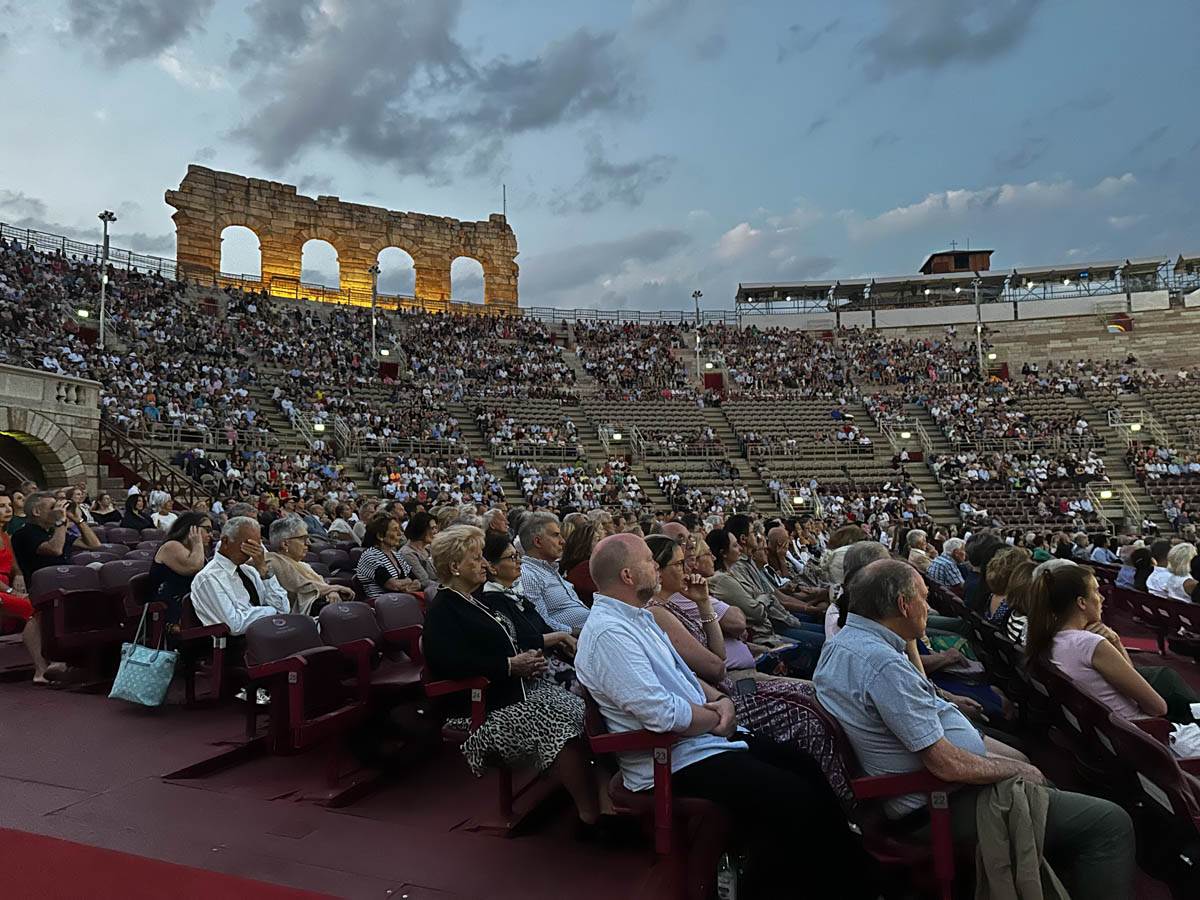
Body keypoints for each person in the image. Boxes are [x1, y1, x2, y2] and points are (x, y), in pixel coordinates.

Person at [576, 533, 882, 897]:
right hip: (671, 759)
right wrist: (717, 719)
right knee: (795, 799)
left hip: (697, 741)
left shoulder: (636, 618)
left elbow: (685, 677)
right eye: (649, 562)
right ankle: (840, 885)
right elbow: (659, 713)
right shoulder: (610, 633)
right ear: (628, 576)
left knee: (804, 764)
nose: (656, 568)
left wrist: (720, 701)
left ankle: (853, 876)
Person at [815, 559, 1135, 900]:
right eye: (923, 597)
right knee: (1110, 823)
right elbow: (946, 765)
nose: (928, 605)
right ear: (903, 605)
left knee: (1050, 793)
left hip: (933, 793)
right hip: (936, 804)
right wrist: (1016, 769)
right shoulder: (882, 664)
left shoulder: (845, 644)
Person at [422, 525, 601, 832]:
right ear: (454, 567)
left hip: (512, 693)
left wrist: (521, 661)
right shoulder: (443, 609)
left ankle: (602, 803)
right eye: (476, 558)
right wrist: (508, 665)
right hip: (481, 710)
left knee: (583, 711)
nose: (484, 565)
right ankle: (589, 817)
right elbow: (449, 662)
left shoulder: (472, 601)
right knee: (560, 726)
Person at [1026, 561, 1198, 724]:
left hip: (1109, 732)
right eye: (1095, 591)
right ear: (1082, 602)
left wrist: (1115, 641)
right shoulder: (1089, 644)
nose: (1101, 598)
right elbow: (1158, 707)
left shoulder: (1049, 637)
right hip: (1144, 733)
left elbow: (1131, 675)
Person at [479, 531, 577, 668]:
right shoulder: (494, 600)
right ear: (492, 567)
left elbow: (541, 625)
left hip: (551, 657)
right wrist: (561, 636)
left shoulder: (515, 594)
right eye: (512, 557)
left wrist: (560, 643)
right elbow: (523, 639)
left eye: (518, 555)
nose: (520, 561)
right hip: (534, 667)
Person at [190, 516, 290, 636]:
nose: (252, 552)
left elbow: (283, 609)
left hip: (268, 636)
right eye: (248, 545)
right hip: (235, 647)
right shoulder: (208, 578)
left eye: (257, 545)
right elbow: (235, 625)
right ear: (226, 541)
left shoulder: (250, 572)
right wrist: (271, 611)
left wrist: (264, 570)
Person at [0, 493, 58, 684]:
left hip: (6, 585)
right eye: (2, 506)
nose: (8, 509)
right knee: (33, 607)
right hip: (2, 589)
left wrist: (17, 575)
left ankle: (50, 662)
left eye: (9, 505)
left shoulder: (6, 535)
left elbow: (14, 562)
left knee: (38, 604)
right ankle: (42, 667)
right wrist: (10, 591)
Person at [517, 512, 590, 635]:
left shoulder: (549, 569)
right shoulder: (528, 574)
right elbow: (541, 622)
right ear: (538, 542)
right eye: (556, 535)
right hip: (576, 639)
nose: (562, 541)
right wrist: (580, 632)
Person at [266, 515, 355, 615]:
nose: (308, 543)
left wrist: (331, 591)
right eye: (303, 539)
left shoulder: (304, 565)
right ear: (285, 544)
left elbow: (322, 586)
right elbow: (301, 587)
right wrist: (333, 588)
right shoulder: (273, 561)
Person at [12, 490, 101, 579]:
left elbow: (93, 545)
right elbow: (55, 550)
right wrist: (60, 520)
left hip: (67, 578)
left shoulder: (54, 531)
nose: (58, 510)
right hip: (45, 584)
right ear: (36, 512)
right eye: (52, 507)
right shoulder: (24, 534)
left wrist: (78, 519)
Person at [146, 512, 213, 629]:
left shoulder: (195, 551)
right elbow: (194, 567)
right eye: (207, 529)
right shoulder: (171, 546)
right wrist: (197, 543)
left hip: (189, 604)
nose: (210, 534)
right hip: (168, 609)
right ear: (191, 528)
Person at [355, 516, 423, 602]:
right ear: (380, 536)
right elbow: (393, 585)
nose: (400, 533)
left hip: (401, 600)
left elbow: (416, 581)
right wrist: (408, 581)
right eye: (395, 530)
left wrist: (406, 584)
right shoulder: (370, 556)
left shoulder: (396, 555)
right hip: (381, 604)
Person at [560, 519, 602, 607]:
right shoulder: (584, 569)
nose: (601, 543)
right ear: (585, 543)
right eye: (597, 540)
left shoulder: (585, 565)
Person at [397, 511, 440, 597]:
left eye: (436, 528)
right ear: (421, 529)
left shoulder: (428, 549)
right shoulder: (407, 553)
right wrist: (450, 586)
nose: (435, 532)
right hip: (431, 594)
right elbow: (424, 581)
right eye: (432, 528)